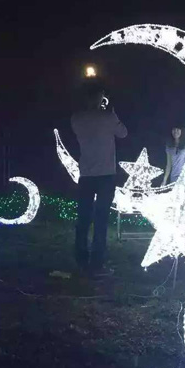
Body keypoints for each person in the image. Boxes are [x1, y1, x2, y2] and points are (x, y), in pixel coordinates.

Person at [71, 83, 128, 276]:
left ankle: (81, 258)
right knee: (101, 218)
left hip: (86, 174)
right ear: (99, 97)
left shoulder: (76, 118)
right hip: (105, 174)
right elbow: (123, 133)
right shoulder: (108, 116)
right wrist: (111, 113)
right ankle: (97, 263)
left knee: (83, 217)